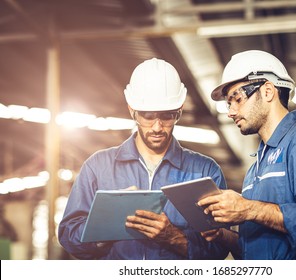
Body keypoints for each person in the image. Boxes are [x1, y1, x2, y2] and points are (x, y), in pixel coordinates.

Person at [58, 58, 229, 260]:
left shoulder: (204, 171)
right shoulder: (98, 167)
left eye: (167, 116)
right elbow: (68, 236)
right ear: (132, 110)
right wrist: (105, 227)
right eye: (148, 116)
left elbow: (219, 249)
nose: (157, 127)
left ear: (179, 111)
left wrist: (174, 237)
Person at [198, 50, 296, 260]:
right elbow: (254, 251)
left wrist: (248, 208)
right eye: (228, 103)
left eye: (237, 99)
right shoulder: (256, 167)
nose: (231, 112)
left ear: (268, 91)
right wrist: (223, 236)